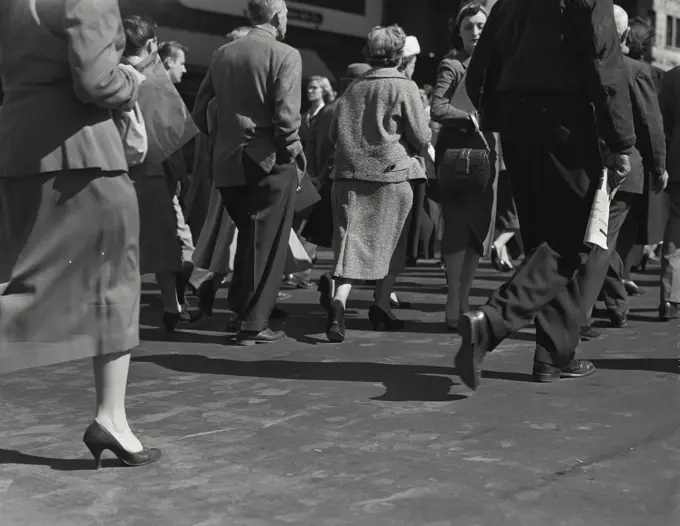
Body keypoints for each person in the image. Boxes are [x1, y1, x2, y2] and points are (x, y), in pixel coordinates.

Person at [0, 0, 160, 468]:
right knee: (113, 285)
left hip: (21, 151)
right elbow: (95, 81)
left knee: (29, 279)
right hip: (86, 159)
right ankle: (111, 417)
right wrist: (131, 79)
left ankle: (114, 419)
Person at [455, 0, 635, 390]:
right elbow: (606, 66)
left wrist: (495, 116)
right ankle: (490, 323)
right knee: (569, 243)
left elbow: (480, 66)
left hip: (518, 125)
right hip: (566, 123)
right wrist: (621, 142)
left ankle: (555, 356)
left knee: (544, 245)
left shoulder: (508, 3)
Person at [193, 0, 305, 345]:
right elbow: (286, 118)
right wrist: (295, 153)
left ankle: (241, 315)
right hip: (268, 160)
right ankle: (253, 323)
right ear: (276, 15)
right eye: (285, 13)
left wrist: (225, 136)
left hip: (228, 162)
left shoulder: (223, 53)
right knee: (266, 245)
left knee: (250, 240)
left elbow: (200, 112)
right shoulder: (286, 54)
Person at [320, 25, 431, 342]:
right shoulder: (403, 86)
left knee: (349, 243)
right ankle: (382, 304)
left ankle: (339, 304)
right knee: (393, 242)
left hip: (349, 176)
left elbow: (332, 136)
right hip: (391, 175)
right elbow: (422, 137)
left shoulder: (353, 87)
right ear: (399, 55)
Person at [577, 5, 667, 335]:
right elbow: (651, 123)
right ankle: (583, 316)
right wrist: (659, 166)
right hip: (623, 167)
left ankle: (613, 303)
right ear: (626, 35)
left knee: (597, 241)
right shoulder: (634, 70)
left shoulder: (577, 65)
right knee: (602, 243)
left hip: (586, 163)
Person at [122, 16, 201, 332]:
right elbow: (173, 136)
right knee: (165, 244)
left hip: (115, 171)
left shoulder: (110, 75)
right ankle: (172, 307)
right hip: (153, 173)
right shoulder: (155, 81)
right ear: (152, 45)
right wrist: (182, 177)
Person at [431, 3, 498, 331]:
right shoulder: (452, 63)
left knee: (478, 234)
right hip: (457, 158)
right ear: (458, 30)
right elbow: (437, 107)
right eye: (469, 26)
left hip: (488, 156)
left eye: (481, 25)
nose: (475, 32)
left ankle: (465, 296)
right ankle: (453, 300)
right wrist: (468, 117)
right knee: (458, 231)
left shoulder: (497, 62)